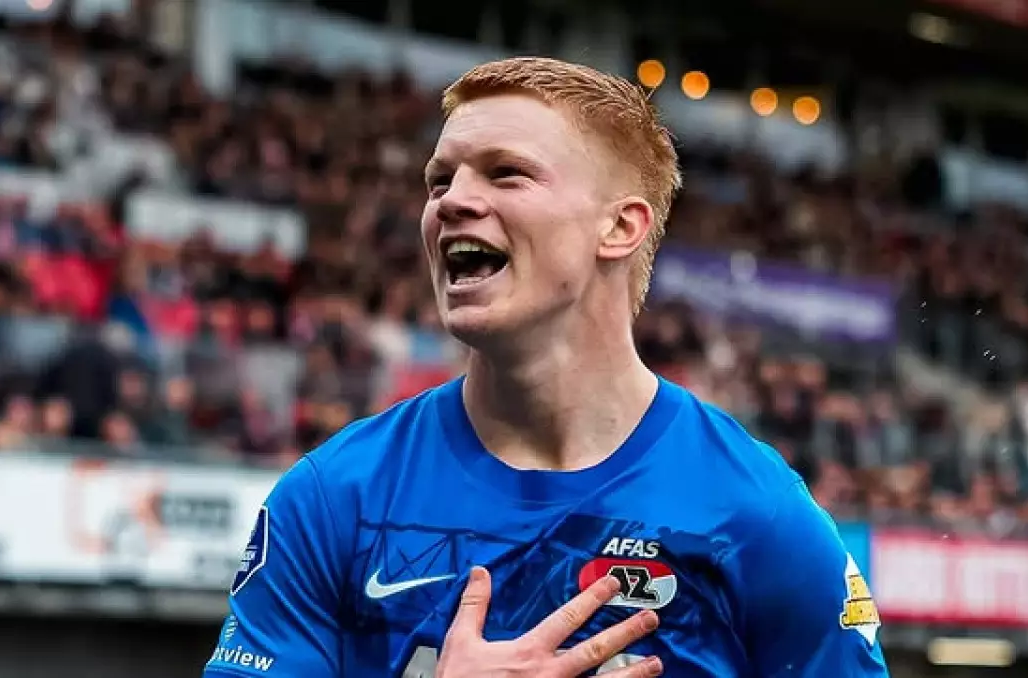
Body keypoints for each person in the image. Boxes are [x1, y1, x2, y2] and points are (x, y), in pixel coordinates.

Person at [202, 56, 889, 677]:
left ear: (619, 227)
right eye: (440, 180)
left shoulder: (755, 514)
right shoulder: (333, 498)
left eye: (506, 173)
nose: (451, 201)